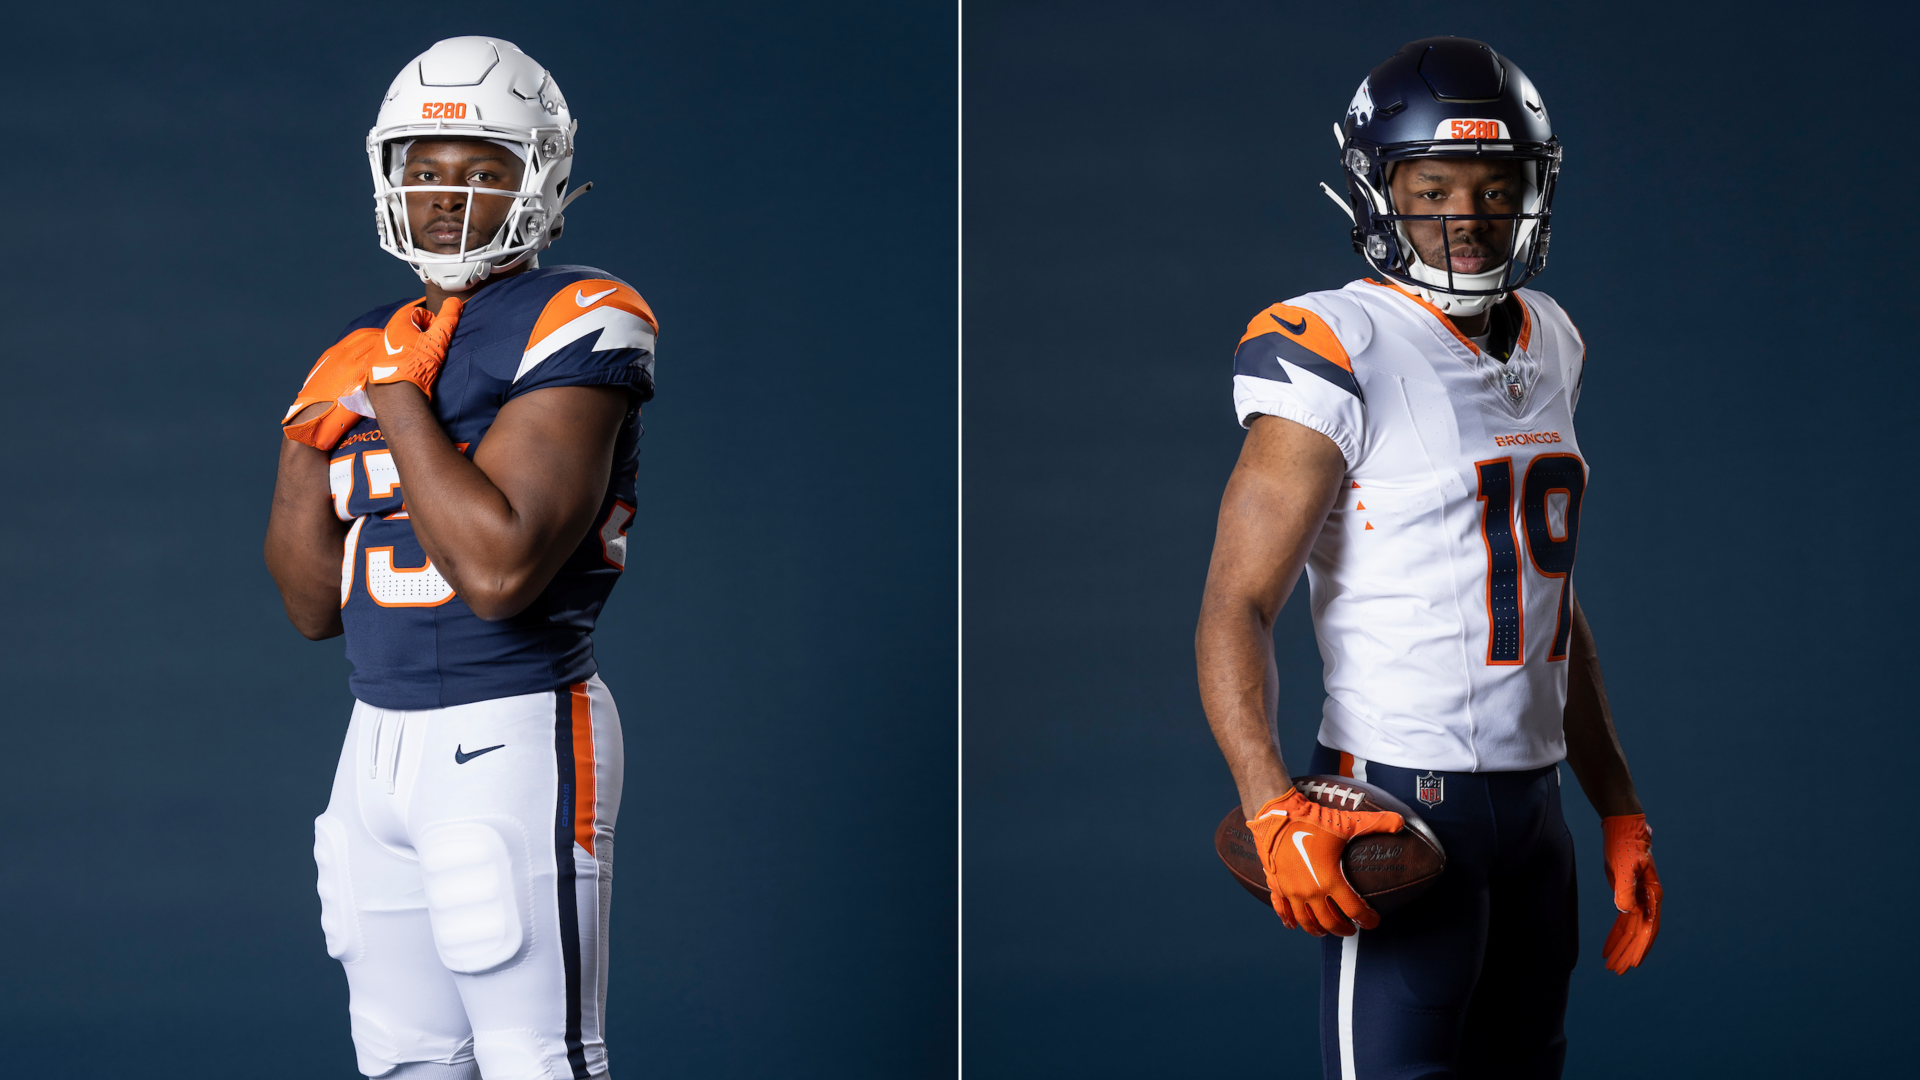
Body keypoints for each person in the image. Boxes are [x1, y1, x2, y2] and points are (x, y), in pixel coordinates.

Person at [1194, 37, 1659, 1080]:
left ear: (1533, 190)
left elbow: (1549, 601)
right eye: (1433, 184)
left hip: (1536, 812)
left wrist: (1615, 801)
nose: (1468, 214)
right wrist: (1271, 799)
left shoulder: (1552, 338)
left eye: (1497, 186)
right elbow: (1235, 604)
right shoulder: (1335, 345)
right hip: (1397, 801)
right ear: (1378, 190)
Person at [264, 36, 656, 1080]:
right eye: (426, 169)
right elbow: (311, 605)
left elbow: (498, 573)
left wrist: (390, 394)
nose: (447, 196)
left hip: (513, 724)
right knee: (403, 1060)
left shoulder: (581, 315)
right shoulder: (368, 335)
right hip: (374, 742)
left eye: (483, 169)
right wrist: (306, 432)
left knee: (538, 1059)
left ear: (540, 180)